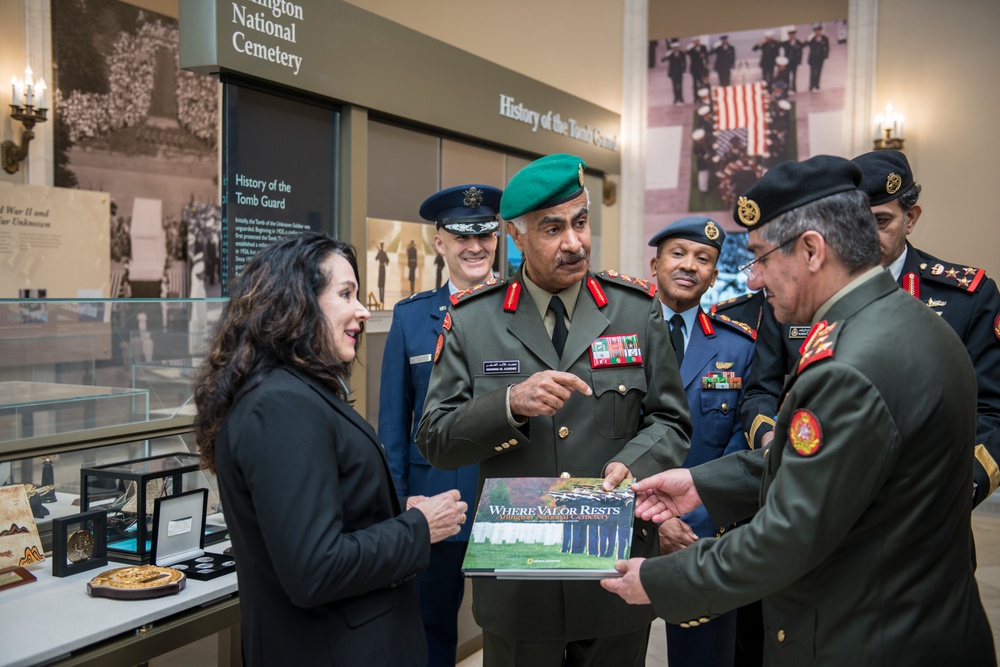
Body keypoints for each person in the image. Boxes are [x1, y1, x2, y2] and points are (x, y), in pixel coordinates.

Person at [601, 156, 997, 665]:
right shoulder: (905, 321)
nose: (753, 281)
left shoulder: (850, 364)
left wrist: (658, 579)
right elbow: (843, 464)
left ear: (811, 250)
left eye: (761, 258)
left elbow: (787, 535)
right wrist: (705, 484)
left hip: (867, 637)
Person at [417, 153, 692, 667]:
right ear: (516, 238)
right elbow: (435, 438)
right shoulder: (474, 320)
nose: (574, 242)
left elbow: (671, 420)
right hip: (521, 584)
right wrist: (508, 405)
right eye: (553, 228)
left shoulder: (635, 307)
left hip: (615, 572)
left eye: (581, 222)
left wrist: (635, 463)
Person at [192, 233, 468, 666]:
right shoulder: (281, 406)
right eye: (346, 294)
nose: (362, 310)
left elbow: (328, 510)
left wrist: (396, 508)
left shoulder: (291, 393)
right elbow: (315, 568)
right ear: (296, 304)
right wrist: (418, 526)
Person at [739, 150, 1000, 505]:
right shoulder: (791, 295)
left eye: (880, 222)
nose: (866, 236)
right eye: (858, 222)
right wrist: (773, 447)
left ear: (911, 219)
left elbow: (990, 414)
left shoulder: (966, 297)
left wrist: (950, 495)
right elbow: (761, 391)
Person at [379, 184, 501, 667]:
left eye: (485, 234)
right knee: (430, 631)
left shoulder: (524, 311)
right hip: (432, 502)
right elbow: (393, 422)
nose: (475, 246)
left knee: (511, 626)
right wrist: (399, 502)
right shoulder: (411, 319)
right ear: (439, 243)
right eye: (461, 236)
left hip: (505, 499)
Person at [648, 216, 755, 667]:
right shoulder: (609, 337)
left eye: (703, 259)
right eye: (678, 254)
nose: (689, 265)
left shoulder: (739, 347)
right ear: (654, 264)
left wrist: (693, 520)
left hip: (701, 534)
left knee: (704, 658)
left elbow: (740, 445)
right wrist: (654, 524)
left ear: (713, 275)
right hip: (620, 527)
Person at [806, 23, 829, 91]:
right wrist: (809, 39)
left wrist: (825, 56)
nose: (817, 32)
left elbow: (827, 47)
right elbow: (805, 44)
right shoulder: (812, 39)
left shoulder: (825, 38)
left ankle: (817, 85)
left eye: (818, 31)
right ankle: (812, 85)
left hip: (820, 58)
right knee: (812, 72)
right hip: (812, 58)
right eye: (816, 31)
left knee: (818, 71)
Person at [663, 41, 687, 105]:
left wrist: (684, 71)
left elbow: (684, 62)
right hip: (673, 72)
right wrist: (666, 55)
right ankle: (676, 98)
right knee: (674, 86)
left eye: (676, 48)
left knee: (680, 85)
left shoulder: (681, 53)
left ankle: (681, 98)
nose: (675, 49)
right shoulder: (670, 54)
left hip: (680, 71)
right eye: (674, 48)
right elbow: (662, 60)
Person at [687, 37, 709, 103]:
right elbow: (687, 53)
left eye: (697, 41)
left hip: (702, 69)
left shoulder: (703, 47)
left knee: (702, 84)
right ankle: (696, 98)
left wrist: (704, 57)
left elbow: (706, 56)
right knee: (695, 84)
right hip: (694, 69)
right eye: (694, 42)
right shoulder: (691, 50)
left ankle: (703, 97)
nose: (696, 43)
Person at [781, 28, 803, 93]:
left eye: (792, 35)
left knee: (794, 76)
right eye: (790, 35)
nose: (791, 36)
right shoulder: (785, 43)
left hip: (794, 62)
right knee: (786, 76)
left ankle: (793, 88)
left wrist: (799, 61)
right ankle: (787, 89)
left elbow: (800, 52)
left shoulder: (798, 43)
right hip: (787, 62)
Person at [375, 241, 390, 305]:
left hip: (382, 268)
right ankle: (381, 298)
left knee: (382, 283)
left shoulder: (383, 253)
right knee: (380, 283)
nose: (381, 246)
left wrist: (380, 254)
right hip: (381, 268)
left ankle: (382, 298)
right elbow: (376, 258)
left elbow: (387, 260)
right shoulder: (382, 253)